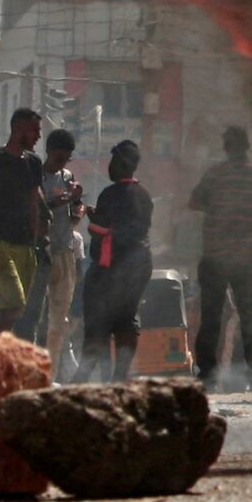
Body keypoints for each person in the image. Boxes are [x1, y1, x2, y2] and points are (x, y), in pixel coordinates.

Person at [190, 126, 252, 390]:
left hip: (215, 256)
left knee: (212, 317)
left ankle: (208, 375)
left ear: (226, 147)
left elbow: (194, 201)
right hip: (246, 256)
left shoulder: (215, 174)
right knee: (249, 314)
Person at [81, 139, 153, 382]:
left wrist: (94, 219)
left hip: (112, 267)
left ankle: (86, 372)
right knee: (126, 317)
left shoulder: (110, 194)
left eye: (112, 162)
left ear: (120, 164)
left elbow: (99, 229)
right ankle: (119, 374)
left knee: (99, 318)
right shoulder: (144, 194)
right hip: (139, 264)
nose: (109, 167)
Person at [0, 108, 45, 335]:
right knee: (14, 301)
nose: (38, 136)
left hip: (25, 244)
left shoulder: (33, 163)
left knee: (11, 308)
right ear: (18, 129)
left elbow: (33, 204)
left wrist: (35, 239)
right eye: (34, 131)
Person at [39, 130, 86, 377]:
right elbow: (39, 208)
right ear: (48, 151)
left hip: (64, 253)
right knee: (35, 318)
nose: (61, 163)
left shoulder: (68, 177)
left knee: (58, 322)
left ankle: (50, 375)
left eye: (66, 159)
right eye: (58, 157)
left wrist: (78, 208)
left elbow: (74, 214)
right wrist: (64, 199)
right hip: (40, 254)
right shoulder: (36, 177)